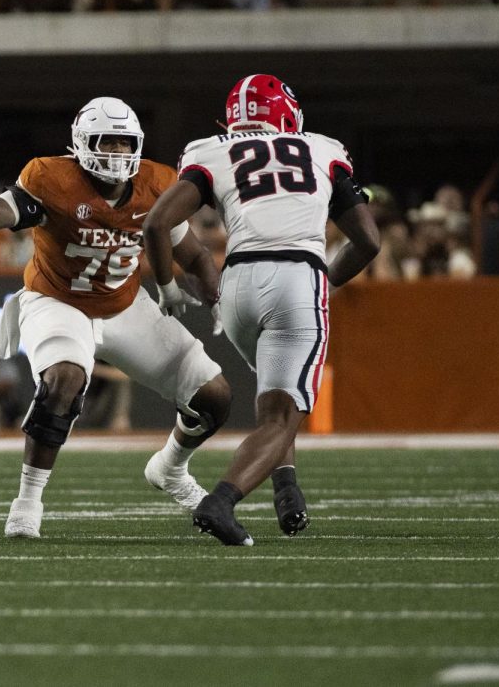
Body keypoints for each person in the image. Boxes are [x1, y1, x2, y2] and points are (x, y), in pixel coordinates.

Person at [0, 96, 231, 539]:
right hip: (56, 300)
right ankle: (27, 502)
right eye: (107, 143)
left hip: (124, 305)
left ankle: (170, 469)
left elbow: (193, 252)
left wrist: (214, 292)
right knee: (64, 380)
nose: (117, 154)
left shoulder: (156, 183)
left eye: (125, 145)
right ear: (82, 144)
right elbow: (2, 210)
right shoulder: (54, 179)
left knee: (214, 396)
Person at [143, 74, 380, 545]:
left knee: (274, 398)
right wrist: (325, 280)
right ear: (288, 116)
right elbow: (368, 241)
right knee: (281, 412)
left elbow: (157, 223)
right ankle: (221, 501)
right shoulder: (322, 148)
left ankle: (286, 487)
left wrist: (168, 285)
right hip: (297, 275)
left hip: (237, 287)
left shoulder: (210, 150)